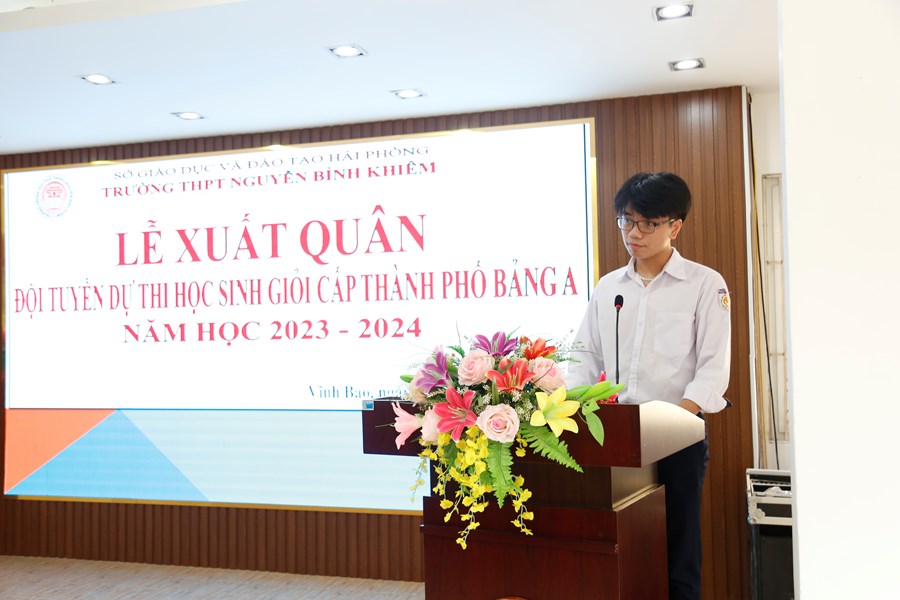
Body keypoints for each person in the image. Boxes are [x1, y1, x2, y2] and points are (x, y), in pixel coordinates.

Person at [567, 171, 731, 600]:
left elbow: (713, 368)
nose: (633, 233)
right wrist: (568, 409)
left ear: (674, 226)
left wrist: (671, 423)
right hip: (616, 439)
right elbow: (583, 355)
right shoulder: (609, 288)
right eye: (626, 220)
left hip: (677, 440)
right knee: (622, 544)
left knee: (678, 549)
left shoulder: (704, 284)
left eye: (647, 223)